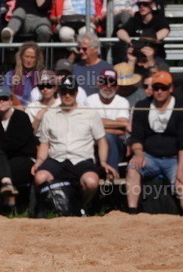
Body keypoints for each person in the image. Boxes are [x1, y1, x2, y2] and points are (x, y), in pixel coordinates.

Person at [32, 75, 118, 213]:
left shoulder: (90, 114)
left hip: (82, 159)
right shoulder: (49, 115)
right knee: (40, 177)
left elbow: (101, 140)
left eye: (71, 92)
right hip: (57, 159)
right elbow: (44, 144)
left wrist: (103, 162)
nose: (67, 95)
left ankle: (80, 206)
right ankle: (50, 209)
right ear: (59, 93)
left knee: (91, 182)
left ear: (76, 93)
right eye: (64, 91)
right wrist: (39, 161)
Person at [126, 70, 183, 215]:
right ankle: (132, 212)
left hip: (175, 158)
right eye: (156, 88)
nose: (159, 91)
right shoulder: (142, 106)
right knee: (133, 168)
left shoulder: (182, 106)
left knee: (182, 181)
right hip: (149, 156)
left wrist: (180, 171)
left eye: (163, 88)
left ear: (171, 88)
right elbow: (136, 137)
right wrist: (138, 154)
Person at [0, 86, 37, 213]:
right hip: (1, 161)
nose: (1, 102)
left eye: (4, 99)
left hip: (23, 160)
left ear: (11, 101)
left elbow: (17, 143)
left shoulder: (21, 117)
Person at [82, 69, 131, 171]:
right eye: (105, 82)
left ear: (117, 86)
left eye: (112, 83)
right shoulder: (90, 100)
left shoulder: (122, 101)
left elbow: (121, 130)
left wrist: (97, 127)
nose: (108, 86)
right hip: (93, 143)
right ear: (99, 84)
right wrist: (118, 124)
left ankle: (112, 174)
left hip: (117, 145)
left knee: (108, 137)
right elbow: (88, 126)